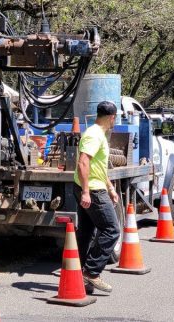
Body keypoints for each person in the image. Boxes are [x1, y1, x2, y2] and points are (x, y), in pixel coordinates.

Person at [73, 101, 121, 293]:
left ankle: (79, 277)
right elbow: (83, 162)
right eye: (115, 118)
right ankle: (91, 273)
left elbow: (98, 166)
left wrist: (110, 187)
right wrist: (86, 191)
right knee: (111, 230)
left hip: (95, 186)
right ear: (112, 117)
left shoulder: (97, 133)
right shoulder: (94, 135)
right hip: (92, 190)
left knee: (86, 233)